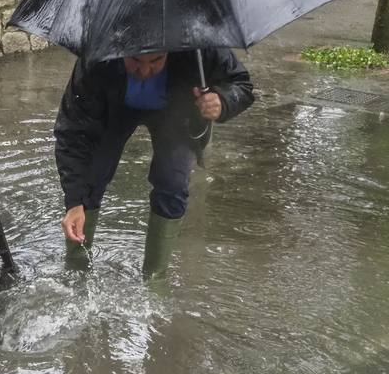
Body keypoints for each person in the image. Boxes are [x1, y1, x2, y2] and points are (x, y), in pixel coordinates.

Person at [54, 49, 254, 278]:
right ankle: (76, 270)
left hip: (177, 113)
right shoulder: (97, 56)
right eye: (135, 61)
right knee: (89, 179)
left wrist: (223, 100)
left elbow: (242, 86)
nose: (145, 71)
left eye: (156, 61)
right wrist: (74, 201)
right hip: (113, 111)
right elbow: (73, 133)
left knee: (172, 183)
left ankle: (155, 278)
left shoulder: (199, 45)